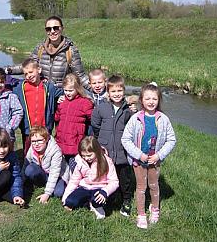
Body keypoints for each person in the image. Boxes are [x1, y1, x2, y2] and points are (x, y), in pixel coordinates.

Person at [121, 82, 177, 229]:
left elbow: (171, 139)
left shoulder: (163, 119)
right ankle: (141, 214)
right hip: (138, 161)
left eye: (154, 99)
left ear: (159, 100)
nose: (151, 102)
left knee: (153, 185)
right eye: (148, 99)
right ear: (141, 100)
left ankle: (155, 209)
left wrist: (159, 155)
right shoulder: (136, 118)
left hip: (155, 161)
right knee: (140, 187)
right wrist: (139, 155)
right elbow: (125, 139)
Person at [4, 16, 90, 89]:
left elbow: (80, 76)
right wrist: (6, 70)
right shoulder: (40, 48)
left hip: (61, 97)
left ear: (62, 28)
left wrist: (98, 87)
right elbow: (27, 67)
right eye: (48, 29)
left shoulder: (70, 50)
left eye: (56, 28)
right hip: (43, 94)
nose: (52, 31)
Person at [91, 75, 134, 217]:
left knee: (125, 179)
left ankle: (126, 201)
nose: (117, 94)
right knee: (107, 177)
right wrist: (102, 141)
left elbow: (133, 128)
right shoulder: (101, 108)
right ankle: (108, 199)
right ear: (108, 92)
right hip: (106, 152)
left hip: (123, 153)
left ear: (124, 91)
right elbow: (95, 125)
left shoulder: (128, 110)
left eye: (119, 91)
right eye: (113, 91)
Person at [12, 58, 63, 154]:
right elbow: (7, 87)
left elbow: (65, 91)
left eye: (31, 72)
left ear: (39, 70)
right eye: (26, 74)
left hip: (45, 129)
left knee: (46, 154)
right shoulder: (20, 88)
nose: (28, 76)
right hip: (28, 130)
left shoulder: (49, 87)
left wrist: (62, 97)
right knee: (28, 154)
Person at [62, 137, 119, 219]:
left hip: (100, 188)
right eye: (83, 155)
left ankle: (97, 206)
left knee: (97, 200)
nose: (86, 158)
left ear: (96, 151)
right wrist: (66, 196)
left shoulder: (106, 161)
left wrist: (105, 191)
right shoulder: (80, 161)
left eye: (89, 155)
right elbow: (74, 181)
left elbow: (114, 181)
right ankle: (88, 203)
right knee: (70, 202)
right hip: (85, 187)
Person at [23, 126, 70, 204]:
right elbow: (25, 164)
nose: (36, 144)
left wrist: (47, 193)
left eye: (40, 140)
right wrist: (21, 184)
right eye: (33, 141)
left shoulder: (55, 151)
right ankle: (45, 184)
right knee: (29, 169)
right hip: (44, 173)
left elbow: (55, 172)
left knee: (58, 193)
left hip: (58, 175)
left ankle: (54, 186)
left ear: (47, 139)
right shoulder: (32, 148)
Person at [54, 73, 94, 166]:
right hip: (62, 140)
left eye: (71, 90)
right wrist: (58, 105)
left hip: (75, 142)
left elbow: (92, 119)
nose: (68, 93)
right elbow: (57, 117)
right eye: (65, 90)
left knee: (75, 168)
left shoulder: (85, 103)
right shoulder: (62, 102)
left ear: (78, 89)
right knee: (62, 168)